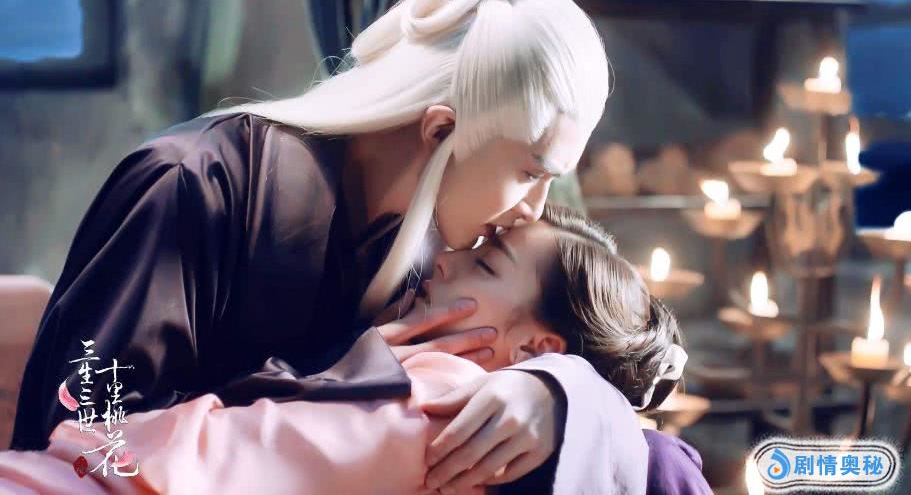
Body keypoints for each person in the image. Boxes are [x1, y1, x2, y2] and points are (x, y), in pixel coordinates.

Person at [12, 0, 618, 493]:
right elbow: (88, 445)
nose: (534, 210)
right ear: (440, 132)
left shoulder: (430, 251)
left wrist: (557, 390)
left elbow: (621, 347)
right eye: (531, 173)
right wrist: (336, 380)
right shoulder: (191, 184)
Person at [0, 206, 688, 494]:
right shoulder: (416, 378)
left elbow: (206, 466)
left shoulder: (444, 406)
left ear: (534, 348)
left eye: (484, 264)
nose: (446, 258)